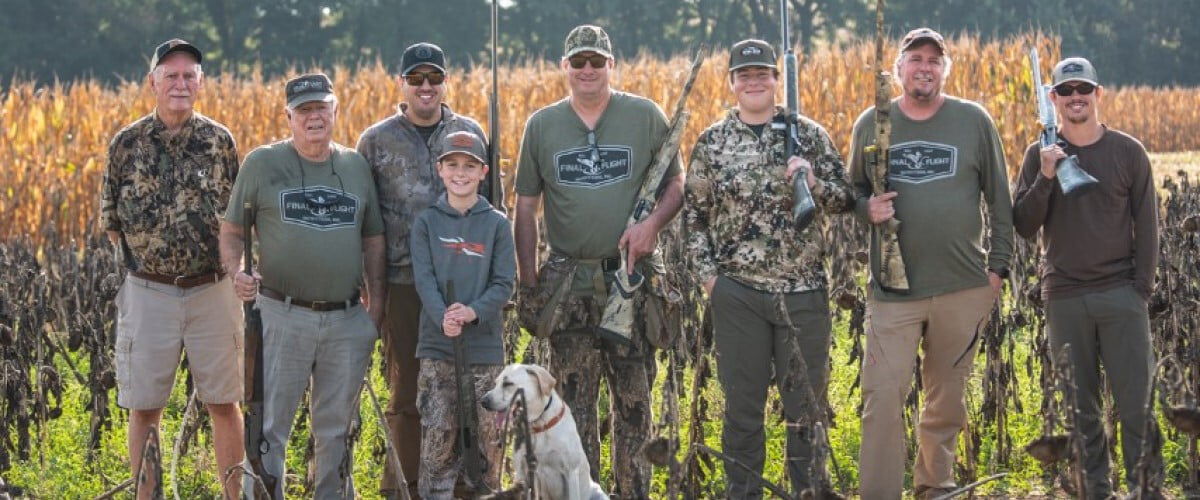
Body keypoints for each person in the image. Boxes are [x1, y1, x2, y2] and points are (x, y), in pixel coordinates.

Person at [512, 24, 684, 498]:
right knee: (571, 413)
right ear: (565, 66)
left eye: (596, 61)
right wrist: (529, 284)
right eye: (578, 62)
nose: (587, 69)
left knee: (633, 407)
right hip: (569, 287)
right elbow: (525, 208)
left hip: (628, 282)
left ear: (611, 65)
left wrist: (651, 228)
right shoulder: (542, 126)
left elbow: (676, 185)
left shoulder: (644, 116)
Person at [846, 28, 1014, 499]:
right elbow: (851, 192)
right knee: (881, 397)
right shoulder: (871, 123)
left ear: (945, 69)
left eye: (933, 60)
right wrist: (866, 210)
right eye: (914, 58)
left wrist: (997, 270)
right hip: (893, 291)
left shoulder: (973, 121)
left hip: (962, 287)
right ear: (898, 69)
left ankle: (934, 487)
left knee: (945, 403)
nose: (924, 66)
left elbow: (1000, 200)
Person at [684, 39, 855, 498]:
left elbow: (846, 199)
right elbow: (693, 217)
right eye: (745, 74)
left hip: (803, 291)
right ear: (732, 83)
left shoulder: (809, 135)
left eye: (763, 73)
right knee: (743, 408)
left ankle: (808, 491)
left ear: (777, 80)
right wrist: (710, 279)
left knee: (805, 408)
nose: (754, 81)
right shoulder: (712, 142)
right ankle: (744, 492)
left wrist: (813, 181)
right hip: (737, 293)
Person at [219, 73, 386, 499]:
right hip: (281, 314)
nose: (314, 117)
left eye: (321, 107)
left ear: (335, 110)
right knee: (269, 427)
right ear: (288, 116)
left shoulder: (355, 166)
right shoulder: (262, 164)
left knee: (335, 429)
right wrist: (236, 270)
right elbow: (233, 230)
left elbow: (373, 239)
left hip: (346, 318)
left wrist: (375, 310)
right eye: (304, 110)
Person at [99, 38, 243, 500]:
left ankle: (233, 495)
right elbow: (112, 224)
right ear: (153, 82)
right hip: (149, 292)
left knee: (225, 402)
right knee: (144, 408)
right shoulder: (125, 144)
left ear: (200, 83)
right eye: (171, 75)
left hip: (212, 290)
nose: (180, 83)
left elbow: (238, 219)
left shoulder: (221, 142)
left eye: (189, 75)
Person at [1013, 56, 1161, 498]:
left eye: (1083, 89)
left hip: (1121, 295)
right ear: (1054, 100)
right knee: (1081, 408)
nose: (1075, 98)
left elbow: (1148, 226)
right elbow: (1022, 224)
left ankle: (1145, 488)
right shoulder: (1036, 155)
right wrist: (1045, 175)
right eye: (1065, 91)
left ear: (1098, 94)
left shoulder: (1128, 152)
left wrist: (1141, 292)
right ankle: (1097, 489)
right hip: (1064, 296)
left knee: (1137, 404)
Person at [355, 42, 493, 499]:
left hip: (465, 286)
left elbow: (493, 212)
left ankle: (464, 487)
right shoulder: (375, 141)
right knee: (407, 394)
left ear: (446, 82)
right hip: (402, 285)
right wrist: (368, 289)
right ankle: (407, 488)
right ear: (402, 84)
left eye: (434, 78)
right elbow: (365, 222)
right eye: (416, 79)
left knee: (465, 391)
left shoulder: (470, 133)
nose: (426, 87)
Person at [409, 131, 515, 498]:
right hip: (438, 349)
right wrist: (445, 317)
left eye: (469, 166)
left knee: (488, 447)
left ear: (483, 171)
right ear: (440, 169)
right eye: (452, 164)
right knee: (439, 441)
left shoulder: (497, 224)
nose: (460, 173)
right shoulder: (426, 223)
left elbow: (504, 284)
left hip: (484, 353)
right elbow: (423, 280)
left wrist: (472, 311)